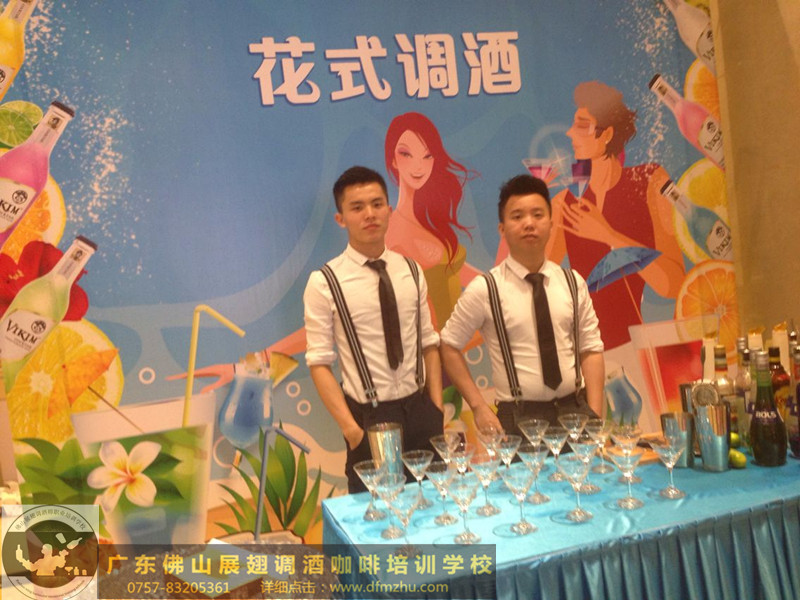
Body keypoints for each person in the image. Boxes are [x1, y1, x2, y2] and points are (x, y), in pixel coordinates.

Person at [303, 166, 444, 493]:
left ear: (389, 210)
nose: (370, 214)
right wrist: (352, 431)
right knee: (378, 515)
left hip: (421, 410)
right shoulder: (324, 282)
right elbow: (319, 362)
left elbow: (429, 343)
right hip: (369, 418)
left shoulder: (411, 270)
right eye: (357, 207)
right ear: (341, 219)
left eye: (377, 204)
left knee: (435, 505)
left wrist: (435, 407)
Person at [440, 174, 604, 437]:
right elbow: (448, 346)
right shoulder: (486, 289)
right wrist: (478, 405)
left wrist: (594, 414)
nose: (529, 223)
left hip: (576, 411)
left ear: (551, 224)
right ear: (502, 229)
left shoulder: (573, 282)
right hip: (519, 418)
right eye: (517, 216)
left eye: (538, 215)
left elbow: (591, 348)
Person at [547, 81, 685, 350]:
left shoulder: (649, 182)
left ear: (607, 134)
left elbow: (673, 284)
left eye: (582, 126)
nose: (570, 133)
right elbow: (532, 285)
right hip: (583, 353)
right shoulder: (564, 204)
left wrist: (609, 236)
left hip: (636, 350)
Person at [384, 112, 482, 330]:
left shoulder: (432, 223)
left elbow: (456, 273)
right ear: (393, 159)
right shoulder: (389, 232)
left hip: (456, 341)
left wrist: (500, 289)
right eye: (406, 154)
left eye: (427, 156)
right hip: (423, 344)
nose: (418, 166)